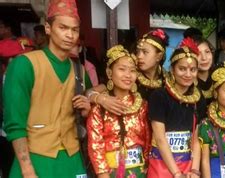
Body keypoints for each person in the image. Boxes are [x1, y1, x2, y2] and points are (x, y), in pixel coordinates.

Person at [2, 0, 93, 177]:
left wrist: (93, 102)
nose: (69, 35)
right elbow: (15, 123)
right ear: (48, 28)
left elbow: (93, 91)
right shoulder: (25, 64)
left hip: (72, 159)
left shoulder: (79, 70)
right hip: (36, 159)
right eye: (63, 28)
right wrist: (27, 169)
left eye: (74, 30)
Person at [87, 45, 150, 178]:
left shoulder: (142, 105)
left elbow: (147, 140)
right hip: (111, 172)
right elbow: (96, 145)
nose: (128, 75)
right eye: (122, 69)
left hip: (139, 171)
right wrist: (103, 174)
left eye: (133, 71)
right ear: (110, 73)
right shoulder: (99, 108)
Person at [147, 38, 206, 178]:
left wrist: (195, 170)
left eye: (193, 70)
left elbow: (197, 137)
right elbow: (160, 138)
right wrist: (177, 174)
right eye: (182, 69)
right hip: (162, 164)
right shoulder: (159, 96)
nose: (187, 74)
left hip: (188, 165)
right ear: (172, 70)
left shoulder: (199, 98)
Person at [87, 29, 169, 115]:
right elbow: (89, 92)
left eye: (145, 52)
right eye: (137, 52)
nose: (139, 56)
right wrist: (101, 99)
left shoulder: (168, 80)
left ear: (159, 57)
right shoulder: (129, 77)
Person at [195, 36, 215, 104]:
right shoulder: (187, 81)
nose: (204, 58)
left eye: (207, 52)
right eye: (198, 53)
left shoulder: (220, 77)